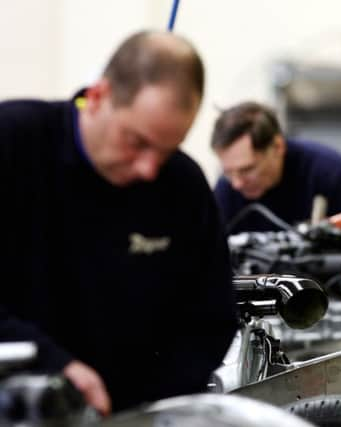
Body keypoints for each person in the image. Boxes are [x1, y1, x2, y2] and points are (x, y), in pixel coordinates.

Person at [0, 31, 238, 416]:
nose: (149, 169)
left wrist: (144, 410)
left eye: (166, 150)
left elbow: (210, 319)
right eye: (137, 142)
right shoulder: (13, 143)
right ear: (97, 97)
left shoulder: (182, 186)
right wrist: (54, 367)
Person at [211, 101, 341, 234]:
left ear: (278, 147)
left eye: (247, 170)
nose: (237, 184)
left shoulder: (331, 176)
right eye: (228, 172)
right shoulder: (226, 190)